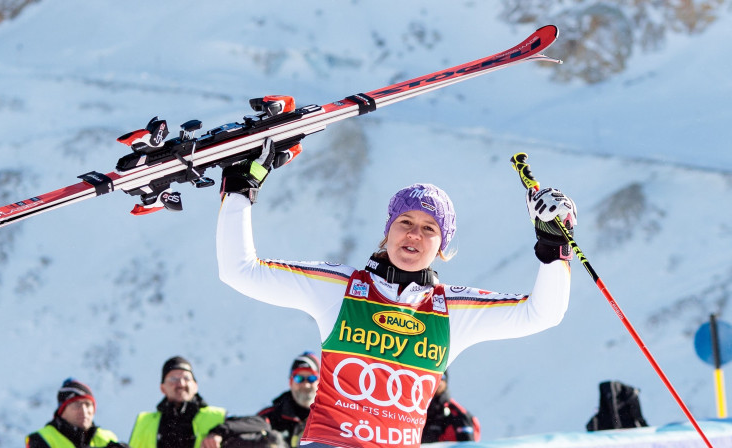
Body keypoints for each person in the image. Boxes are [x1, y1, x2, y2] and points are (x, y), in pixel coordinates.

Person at [216, 139, 575, 448]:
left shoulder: (453, 310)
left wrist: (553, 245)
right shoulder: (342, 287)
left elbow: (543, 313)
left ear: (443, 246)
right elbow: (240, 272)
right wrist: (239, 189)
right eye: (405, 222)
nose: (414, 235)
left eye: (428, 228)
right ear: (388, 232)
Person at [129, 356, 227, 448]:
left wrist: (218, 432)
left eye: (186, 378)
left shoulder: (217, 417)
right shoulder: (145, 422)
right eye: (173, 379)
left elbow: (242, 425)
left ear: (195, 386)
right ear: (162, 388)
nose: (181, 383)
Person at [26, 378, 121, 448]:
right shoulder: (40, 439)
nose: (84, 411)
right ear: (62, 411)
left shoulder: (107, 437)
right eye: (77, 405)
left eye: (88, 405)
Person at [257, 352, 322, 447]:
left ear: (320, 383)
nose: (306, 384)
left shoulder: (332, 417)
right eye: (299, 378)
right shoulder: (270, 418)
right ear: (290, 382)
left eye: (311, 378)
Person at [420, 371, 480, 443]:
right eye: (435, 377)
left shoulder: (459, 415)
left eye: (441, 378)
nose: (438, 382)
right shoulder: (416, 410)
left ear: (446, 382)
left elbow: (468, 445)